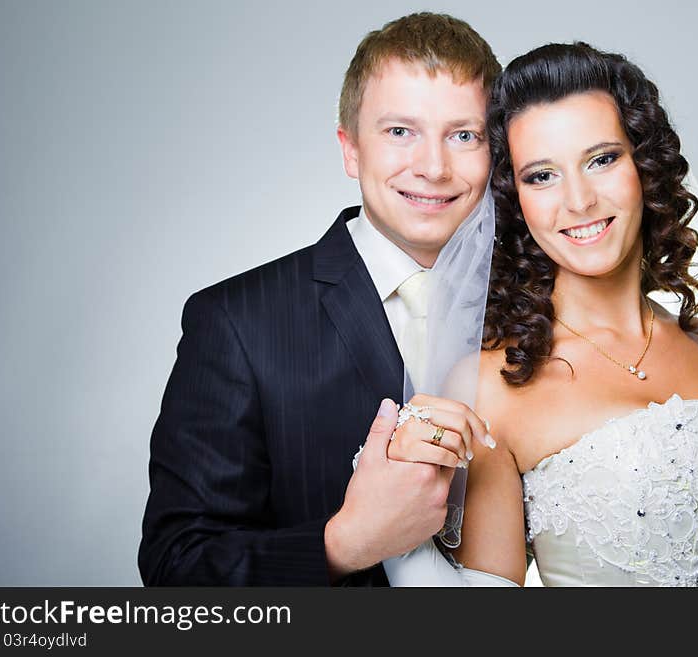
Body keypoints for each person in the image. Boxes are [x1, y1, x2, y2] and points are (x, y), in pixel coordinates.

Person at [384, 42, 698, 586]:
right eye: (542, 175)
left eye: (602, 159)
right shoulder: (490, 385)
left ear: (644, 166)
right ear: (514, 199)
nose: (579, 201)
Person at [137, 12, 499, 586]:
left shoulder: (540, 305)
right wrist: (343, 544)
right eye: (400, 131)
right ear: (350, 149)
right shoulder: (236, 322)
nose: (433, 167)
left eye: (464, 135)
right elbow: (175, 571)